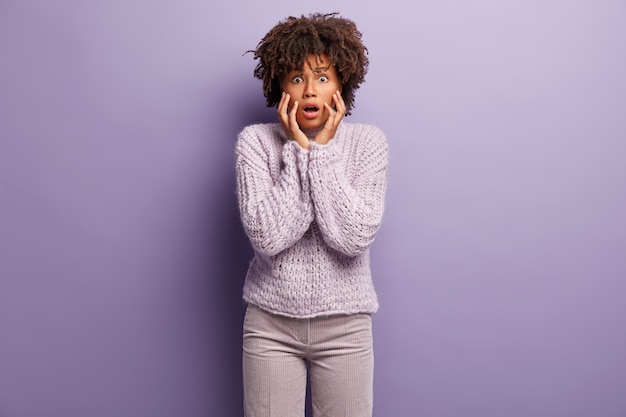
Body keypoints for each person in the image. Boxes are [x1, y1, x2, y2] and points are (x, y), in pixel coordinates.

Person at [235, 12, 389, 417]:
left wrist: (319, 155)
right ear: (278, 85)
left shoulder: (368, 144)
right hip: (270, 326)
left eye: (322, 78)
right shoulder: (256, 143)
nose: (309, 91)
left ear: (341, 85)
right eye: (296, 78)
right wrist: (299, 150)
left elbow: (352, 238)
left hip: (346, 328)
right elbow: (268, 238)